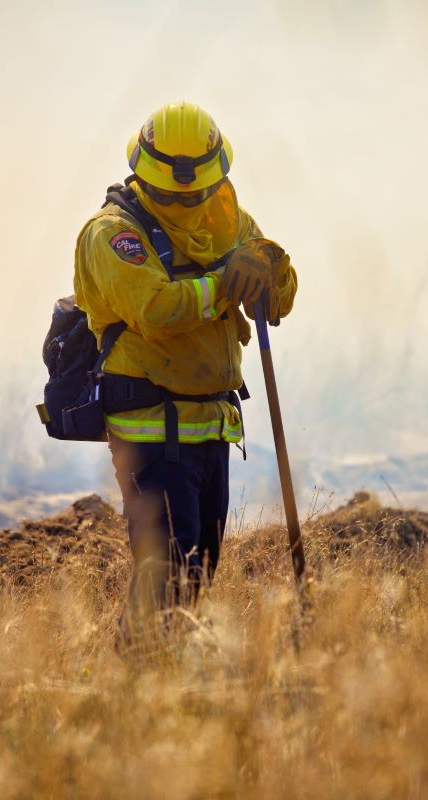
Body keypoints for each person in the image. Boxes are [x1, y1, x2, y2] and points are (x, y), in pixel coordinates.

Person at [74, 101, 297, 637]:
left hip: (210, 425)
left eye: (196, 191)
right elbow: (155, 310)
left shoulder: (229, 221)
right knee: (168, 572)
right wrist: (225, 283)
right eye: (174, 193)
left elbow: (278, 303)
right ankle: (140, 671)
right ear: (146, 175)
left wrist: (272, 264)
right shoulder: (113, 233)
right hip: (151, 428)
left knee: (199, 568)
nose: (186, 200)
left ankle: (167, 670)